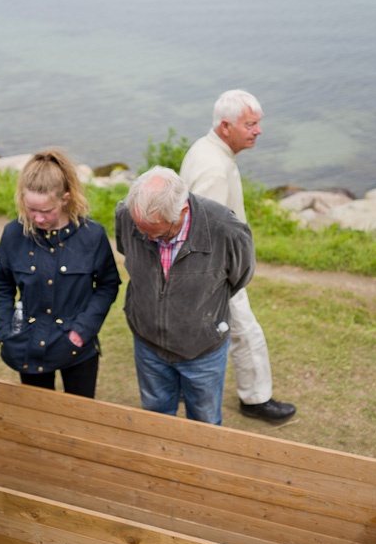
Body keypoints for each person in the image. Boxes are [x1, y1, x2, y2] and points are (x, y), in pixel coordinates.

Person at [180, 88, 296, 423]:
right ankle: (256, 401)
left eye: (258, 123)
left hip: (218, 270)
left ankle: (252, 397)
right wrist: (226, 275)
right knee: (244, 333)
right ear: (226, 126)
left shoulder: (208, 150)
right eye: (251, 124)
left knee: (236, 332)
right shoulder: (214, 169)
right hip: (217, 272)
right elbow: (206, 233)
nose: (258, 130)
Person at [115, 166, 254, 426]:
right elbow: (126, 249)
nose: (146, 238)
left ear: (183, 212)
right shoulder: (125, 214)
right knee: (156, 419)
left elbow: (241, 276)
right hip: (148, 343)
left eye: (156, 232)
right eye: (141, 229)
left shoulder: (227, 229)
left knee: (204, 425)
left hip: (202, 349)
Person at [0, 148, 120, 398]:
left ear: (66, 198)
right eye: (31, 209)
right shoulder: (12, 234)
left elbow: (108, 286)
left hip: (77, 349)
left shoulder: (92, 236)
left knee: (80, 418)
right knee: (38, 418)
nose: (38, 219)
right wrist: (4, 331)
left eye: (47, 211)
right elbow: (3, 286)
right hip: (27, 344)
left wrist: (82, 331)